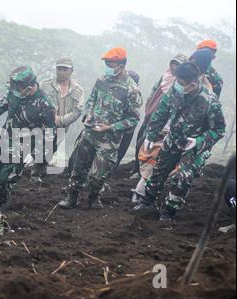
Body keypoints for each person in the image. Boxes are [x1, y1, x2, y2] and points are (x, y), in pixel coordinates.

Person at [134, 62, 226, 223]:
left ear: (193, 84)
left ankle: (168, 212)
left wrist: (198, 141)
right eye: (177, 81)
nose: (177, 85)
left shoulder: (210, 102)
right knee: (159, 171)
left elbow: (219, 130)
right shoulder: (175, 92)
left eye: (181, 83)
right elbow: (161, 113)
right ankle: (148, 202)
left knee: (182, 177)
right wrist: (150, 135)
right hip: (173, 140)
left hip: (193, 146)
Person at [59, 47, 142, 209]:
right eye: (107, 64)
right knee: (78, 168)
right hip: (90, 133)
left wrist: (110, 127)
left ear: (121, 65)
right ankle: (72, 197)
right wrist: (88, 114)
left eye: (111, 64)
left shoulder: (131, 90)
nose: (108, 67)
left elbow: (133, 120)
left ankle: (93, 197)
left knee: (99, 174)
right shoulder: (101, 80)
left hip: (109, 139)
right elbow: (91, 99)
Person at [0, 66, 56, 210]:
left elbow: (50, 132)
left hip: (24, 144)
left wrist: (37, 155)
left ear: (29, 87)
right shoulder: (16, 92)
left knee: (6, 177)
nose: (14, 91)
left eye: (18, 88)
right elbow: (3, 103)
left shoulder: (45, 104)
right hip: (5, 137)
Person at [132, 55, 188, 200]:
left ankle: (144, 191)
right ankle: (143, 185)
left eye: (178, 65)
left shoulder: (186, 89)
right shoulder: (165, 79)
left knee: (161, 160)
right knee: (145, 151)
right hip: (157, 124)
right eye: (173, 64)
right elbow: (155, 98)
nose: (175, 67)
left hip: (174, 132)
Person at [32, 58, 85, 179]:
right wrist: (49, 118)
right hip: (43, 125)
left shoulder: (78, 90)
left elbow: (78, 110)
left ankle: (40, 167)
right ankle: (35, 173)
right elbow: (36, 102)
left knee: (52, 148)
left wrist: (61, 120)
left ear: (71, 71)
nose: (61, 71)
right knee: (41, 147)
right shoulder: (45, 84)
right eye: (59, 68)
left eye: (65, 69)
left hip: (63, 126)